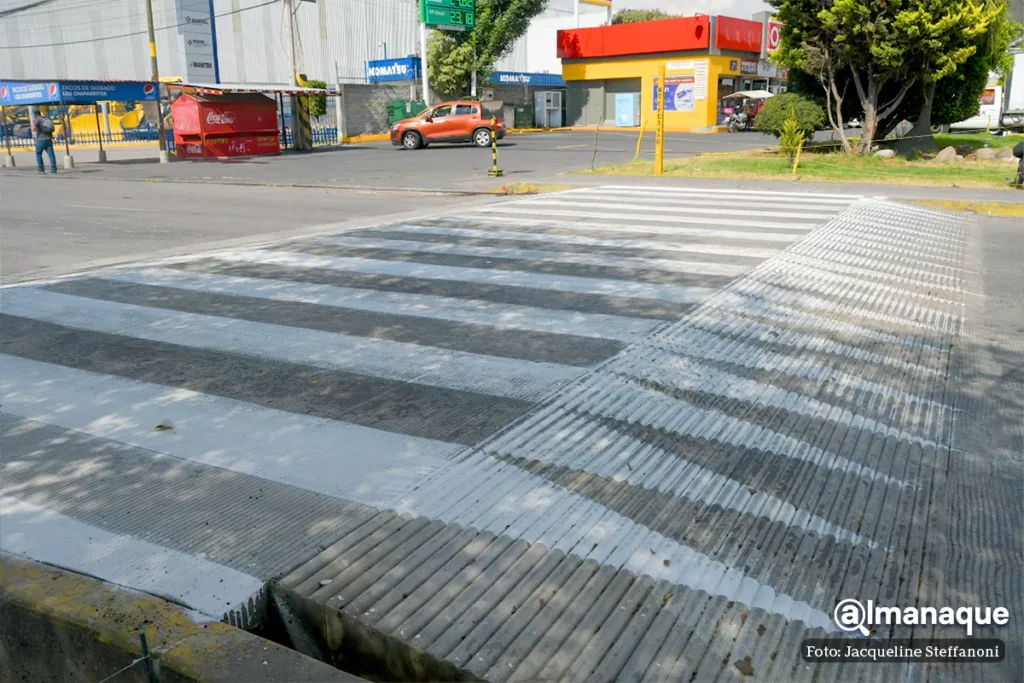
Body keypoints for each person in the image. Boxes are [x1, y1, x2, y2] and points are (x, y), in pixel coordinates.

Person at [32, 108, 57, 174]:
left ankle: (41, 169)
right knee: (51, 155)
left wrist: (33, 122)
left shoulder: (37, 120)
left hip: (40, 140)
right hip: (48, 139)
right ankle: (54, 170)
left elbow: (33, 129)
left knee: (38, 154)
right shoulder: (46, 119)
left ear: (35, 115)